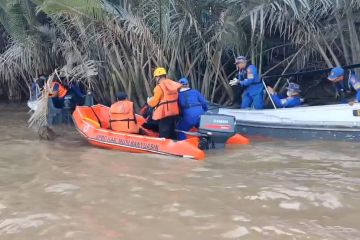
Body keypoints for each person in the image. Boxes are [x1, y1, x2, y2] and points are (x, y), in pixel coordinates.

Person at [147, 67, 182, 139]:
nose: (156, 79)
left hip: (164, 113)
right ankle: (174, 144)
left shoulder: (159, 87)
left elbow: (154, 101)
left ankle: (163, 147)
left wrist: (149, 102)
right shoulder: (173, 84)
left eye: (156, 77)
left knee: (164, 131)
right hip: (174, 111)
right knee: (172, 130)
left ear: (158, 77)